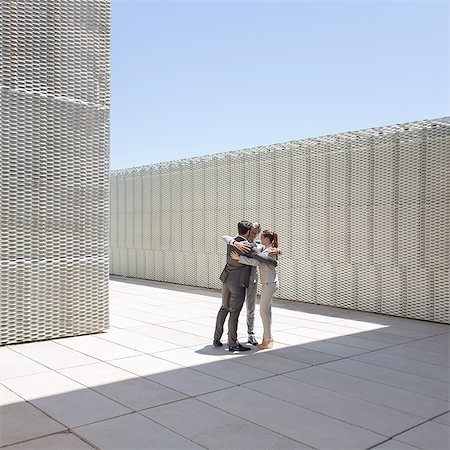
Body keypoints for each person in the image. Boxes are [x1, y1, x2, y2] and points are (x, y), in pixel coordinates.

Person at [214, 221, 277, 352]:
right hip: (238, 283)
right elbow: (261, 257)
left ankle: (216, 338)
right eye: (252, 232)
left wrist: (234, 242)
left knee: (224, 308)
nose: (254, 235)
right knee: (234, 312)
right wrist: (275, 255)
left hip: (226, 280)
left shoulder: (232, 242)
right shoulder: (248, 246)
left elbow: (226, 237)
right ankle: (232, 343)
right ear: (248, 232)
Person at [230, 230, 279, 349]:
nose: (260, 239)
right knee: (268, 312)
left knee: (263, 312)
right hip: (270, 282)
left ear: (266, 239)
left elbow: (256, 261)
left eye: (262, 237)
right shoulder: (270, 248)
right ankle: (268, 338)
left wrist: (239, 258)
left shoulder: (269, 251)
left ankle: (267, 340)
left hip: (269, 283)